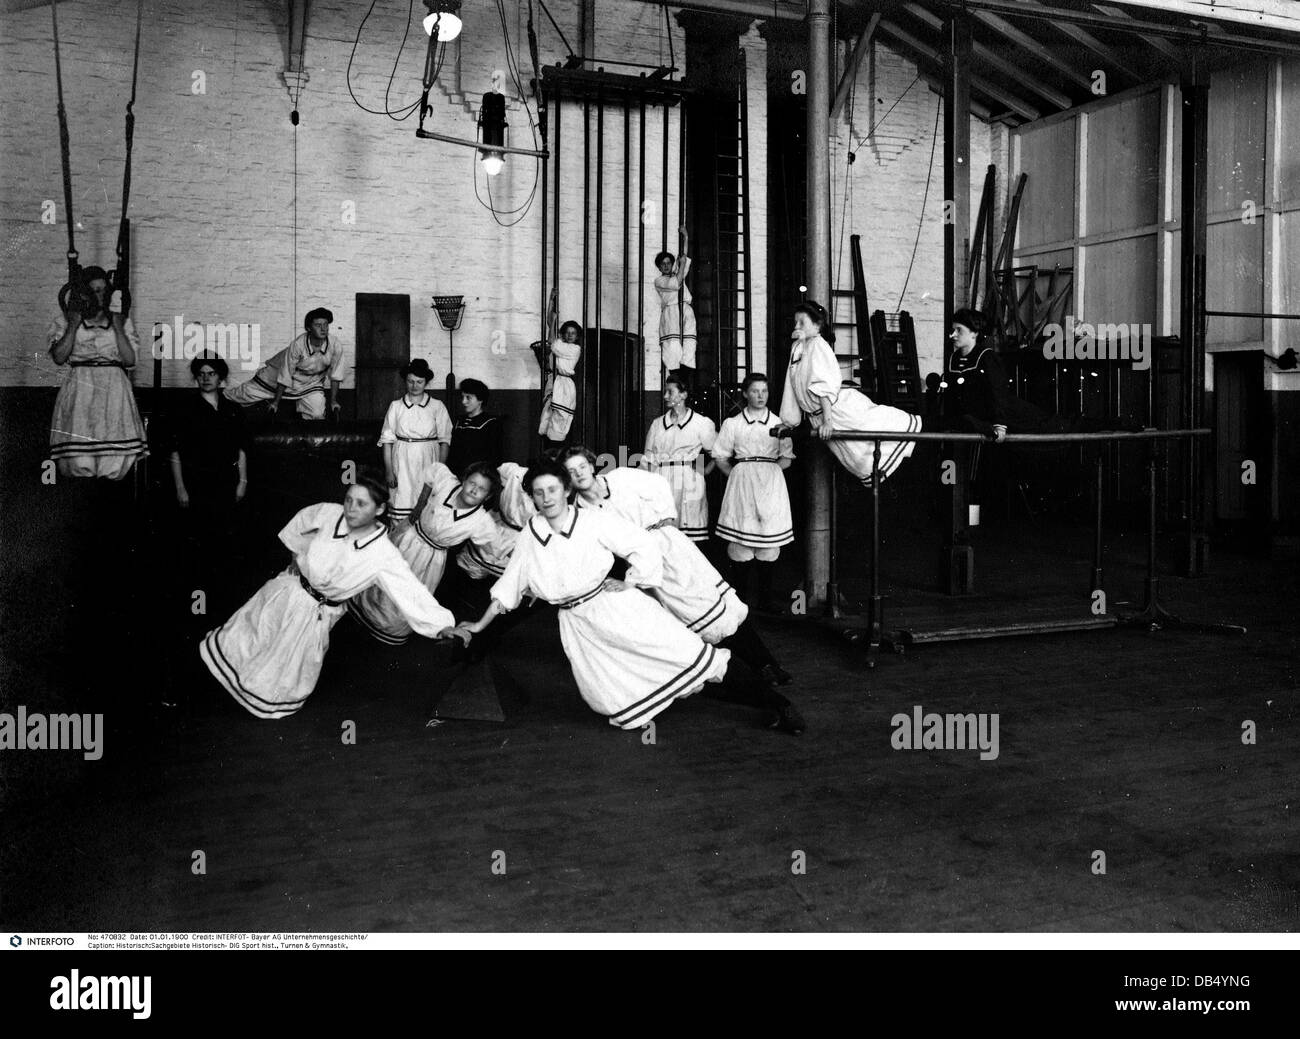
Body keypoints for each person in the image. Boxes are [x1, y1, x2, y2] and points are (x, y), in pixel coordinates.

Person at [451, 459, 730, 732]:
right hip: (580, 626)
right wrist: (478, 625)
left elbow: (642, 543)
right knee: (614, 694)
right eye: (539, 492)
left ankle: (768, 699)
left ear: (566, 490)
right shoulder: (529, 535)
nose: (547, 498)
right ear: (532, 498)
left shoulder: (593, 520)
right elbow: (508, 588)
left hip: (617, 609)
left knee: (689, 656)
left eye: (552, 490)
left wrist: (631, 582)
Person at [563, 447, 805, 734]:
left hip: (670, 549)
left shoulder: (621, 477)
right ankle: (750, 673)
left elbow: (659, 484)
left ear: (592, 465)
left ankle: (765, 665)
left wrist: (666, 516)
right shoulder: (581, 512)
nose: (578, 474)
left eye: (581, 466)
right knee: (689, 623)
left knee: (714, 608)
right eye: (570, 471)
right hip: (644, 569)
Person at [199, 475, 464, 719]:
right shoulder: (328, 513)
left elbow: (410, 590)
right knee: (256, 635)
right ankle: (229, 678)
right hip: (288, 591)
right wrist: (298, 556)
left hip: (317, 613)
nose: (351, 508)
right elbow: (301, 523)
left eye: (361, 504)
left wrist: (442, 624)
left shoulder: (383, 555)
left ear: (380, 510)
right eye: (349, 500)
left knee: (284, 663)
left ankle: (259, 697)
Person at [348, 460, 499, 645]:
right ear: (464, 480)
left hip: (430, 559)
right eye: (472, 483)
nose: (474, 490)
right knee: (382, 578)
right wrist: (420, 506)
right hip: (408, 538)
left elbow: (494, 551)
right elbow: (432, 470)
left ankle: (385, 630)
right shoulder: (448, 483)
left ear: (488, 496)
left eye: (481, 489)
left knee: (409, 595)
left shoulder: (481, 522)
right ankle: (361, 614)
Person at [776, 300, 922, 485]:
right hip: (819, 416)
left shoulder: (819, 346)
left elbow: (823, 385)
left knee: (882, 430)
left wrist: (828, 421)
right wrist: (788, 424)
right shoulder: (797, 348)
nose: (796, 326)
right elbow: (791, 388)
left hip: (839, 411)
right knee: (857, 459)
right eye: (795, 322)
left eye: (802, 322)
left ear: (817, 325)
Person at [46, 265, 147, 479]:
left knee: (113, 454)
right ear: (83, 293)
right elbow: (59, 357)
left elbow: (130, 360)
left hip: (114, 389)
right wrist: (73, 325)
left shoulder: (122, 322)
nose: (99, 296)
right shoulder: (65, 321)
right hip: (81, 389)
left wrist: (119, 327)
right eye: (94, 291)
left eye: (103, 290)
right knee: (80, 455)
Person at [167, 354, 249, 596]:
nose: (206, 378)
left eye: (211, 373)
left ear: (221, 377)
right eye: (201, 373)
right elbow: (174, 451)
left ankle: (223, 591)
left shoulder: (233, 409)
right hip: (196, 484)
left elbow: (242, 448)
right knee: (198, 540)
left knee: (225, 540)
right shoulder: (185, 410)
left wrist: (242, 481)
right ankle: (199, 591)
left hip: (226, 482)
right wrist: (181, 487)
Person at [713, 372, 794, 611]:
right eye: (755, 391)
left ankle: (766, 601)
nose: (760, 396)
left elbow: (786, 459)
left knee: (769, 541)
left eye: (764, 391)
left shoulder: (779, 424)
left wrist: (768, 479)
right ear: (745, 393)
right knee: (740, 541)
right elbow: (720, 456)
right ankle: (740, 600)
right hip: (742, 485)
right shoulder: (733, 423)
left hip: (771, 484)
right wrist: (739, 477)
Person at [226, 307, 346, 420]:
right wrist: (275, 403)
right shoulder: (298, 345)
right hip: (275, 376)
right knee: (239, 395)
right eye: (318, 325)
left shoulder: (335, 345)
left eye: (326, 325)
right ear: (308, 328)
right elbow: (286, 374)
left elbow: (336, 375)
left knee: (317, 413)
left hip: (310, 383)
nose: (323, 329)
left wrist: (333, 401)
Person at [641, 375, 716, 543]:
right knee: (662, 535)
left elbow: (719, 453)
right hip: (662, 480)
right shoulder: (657, 424)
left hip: (689, 482)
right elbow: (648, 460)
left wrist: (705, 470)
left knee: (689, 537)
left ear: (683, 395)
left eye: (670, 392)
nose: (665, 396)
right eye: (665, 392)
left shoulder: (701, 423)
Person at [377, 359, 452, 522]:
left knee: (425, 503)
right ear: (405, 381)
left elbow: (445, 441)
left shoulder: (437, 406)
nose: (414, 385)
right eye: (410, 381)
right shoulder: (396, 406)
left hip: (428, 458)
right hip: (402, 459)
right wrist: (389, 470)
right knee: (401, 499)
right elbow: (387, 441)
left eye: (419, 382)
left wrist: (440, 470)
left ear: (426, 383)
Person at [654, 227, 697, 381]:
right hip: (671, 313)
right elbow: (675, 283)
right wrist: (681, 266)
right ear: (659, 267)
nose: (666, 266)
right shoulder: (660, 281)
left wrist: (685, 237)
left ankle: (685, 380)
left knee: (689, 343)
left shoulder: (676, 273)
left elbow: (683, 257)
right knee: (673, 348)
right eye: (663, 264)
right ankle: (675, 378)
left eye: (668, 263)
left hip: (685, 309)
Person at [539, 296, 581, 445]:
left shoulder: (574, 349)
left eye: (573, 333)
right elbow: (550, 323)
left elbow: (552, 342)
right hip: (553, 380)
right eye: (567, 332)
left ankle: (558, 450)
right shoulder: (560, 342)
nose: (570, 335)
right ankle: (549, 453)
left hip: (564, 383)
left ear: (577, 337)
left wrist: (555, 321)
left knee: (560, 418)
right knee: (547, 417)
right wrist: (551, 301)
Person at [446, 377, 504, 474]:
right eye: (463, 397)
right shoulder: (459, 421)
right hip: (457, 476)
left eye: (468, 397)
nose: (463, 401)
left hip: (479, 476)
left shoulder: (491, 423)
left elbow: (494, 458)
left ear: (480, 400)